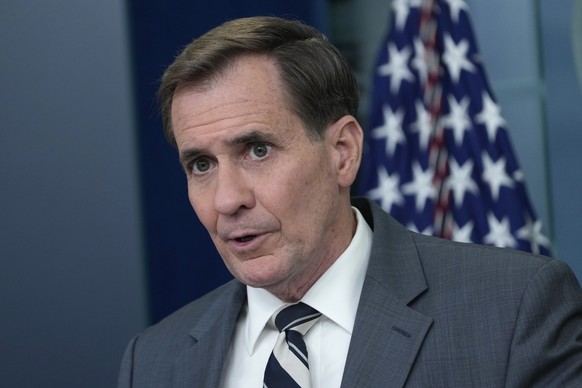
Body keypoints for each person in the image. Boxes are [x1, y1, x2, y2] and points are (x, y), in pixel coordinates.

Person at [118, 16, 582, 387]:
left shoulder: (513, 311)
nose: (227, 200)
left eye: (257, 150)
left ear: (343, 153)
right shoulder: (154, 361)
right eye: (201, 165)